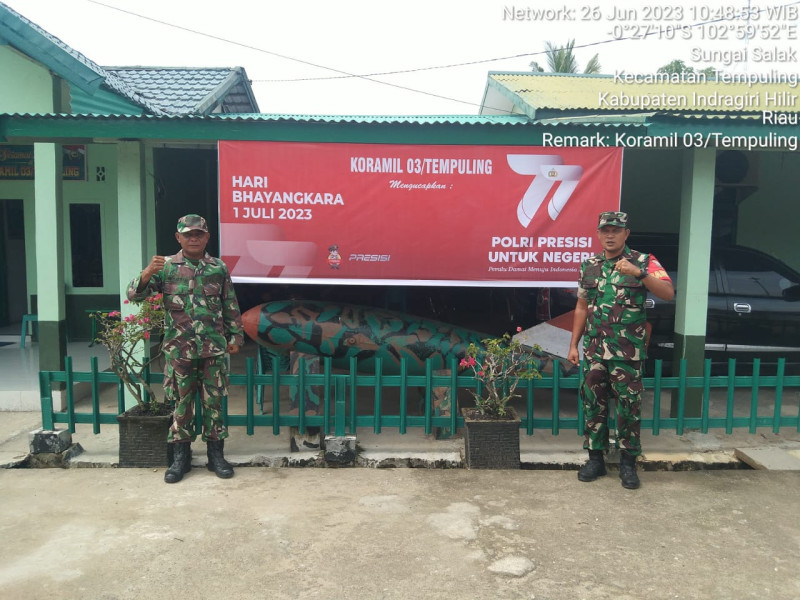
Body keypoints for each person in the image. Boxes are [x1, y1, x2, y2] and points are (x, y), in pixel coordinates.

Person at [127, 214, 244, 483]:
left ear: (207, 237)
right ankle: (181, 458)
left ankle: (216, 456)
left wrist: (236, 337)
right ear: (178, 237)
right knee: (181, 403)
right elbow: (134, 295)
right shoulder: (165, 267)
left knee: (214, 403)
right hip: (179, 350)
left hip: (213, 349)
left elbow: (230, 304)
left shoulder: (218, 268)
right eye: (188, 234)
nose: (193, 238)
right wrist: (146, 273)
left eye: (198, 234)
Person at [567, 211, 674, 489]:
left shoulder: (644, 261)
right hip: (594, 350)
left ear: (626, 234)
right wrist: (573, 344)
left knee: (629, 408)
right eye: (605, 230)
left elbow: (668, 293)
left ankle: (628, 464)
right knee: (593, 404)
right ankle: (595, 460)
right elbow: (581, 307)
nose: (610, 235)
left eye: (616, 230)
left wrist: (639, 274)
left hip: (628, 353)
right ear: (598, 234)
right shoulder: (589, 266)